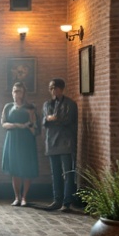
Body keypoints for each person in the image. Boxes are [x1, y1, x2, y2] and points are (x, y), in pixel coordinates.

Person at [41, 78, 78, 211]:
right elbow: (44, 122)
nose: (53, 91)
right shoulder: (47, 104)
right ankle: (57, 200)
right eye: (51, 88)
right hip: (51, 141)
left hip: (65, 141)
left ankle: (67, 202)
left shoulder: (71, 104)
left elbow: (67, 120)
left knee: (68, 173)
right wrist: (49, 119)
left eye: (55, 88)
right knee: (55, 173)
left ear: (62, 89)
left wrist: (53, 119)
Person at [0, 82, 39, 206]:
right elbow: (3, 123)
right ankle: (16, 197)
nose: (16, 93)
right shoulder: (7, 106)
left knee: (26, 167)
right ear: (12, 92)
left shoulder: (30, 107)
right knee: (15, 168)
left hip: (26, 139)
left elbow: (35, 126)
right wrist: (18, 125)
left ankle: (24, 197)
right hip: (12, 139)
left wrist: (30, 125)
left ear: (23, 93)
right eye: (15, 91)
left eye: (19, 91)